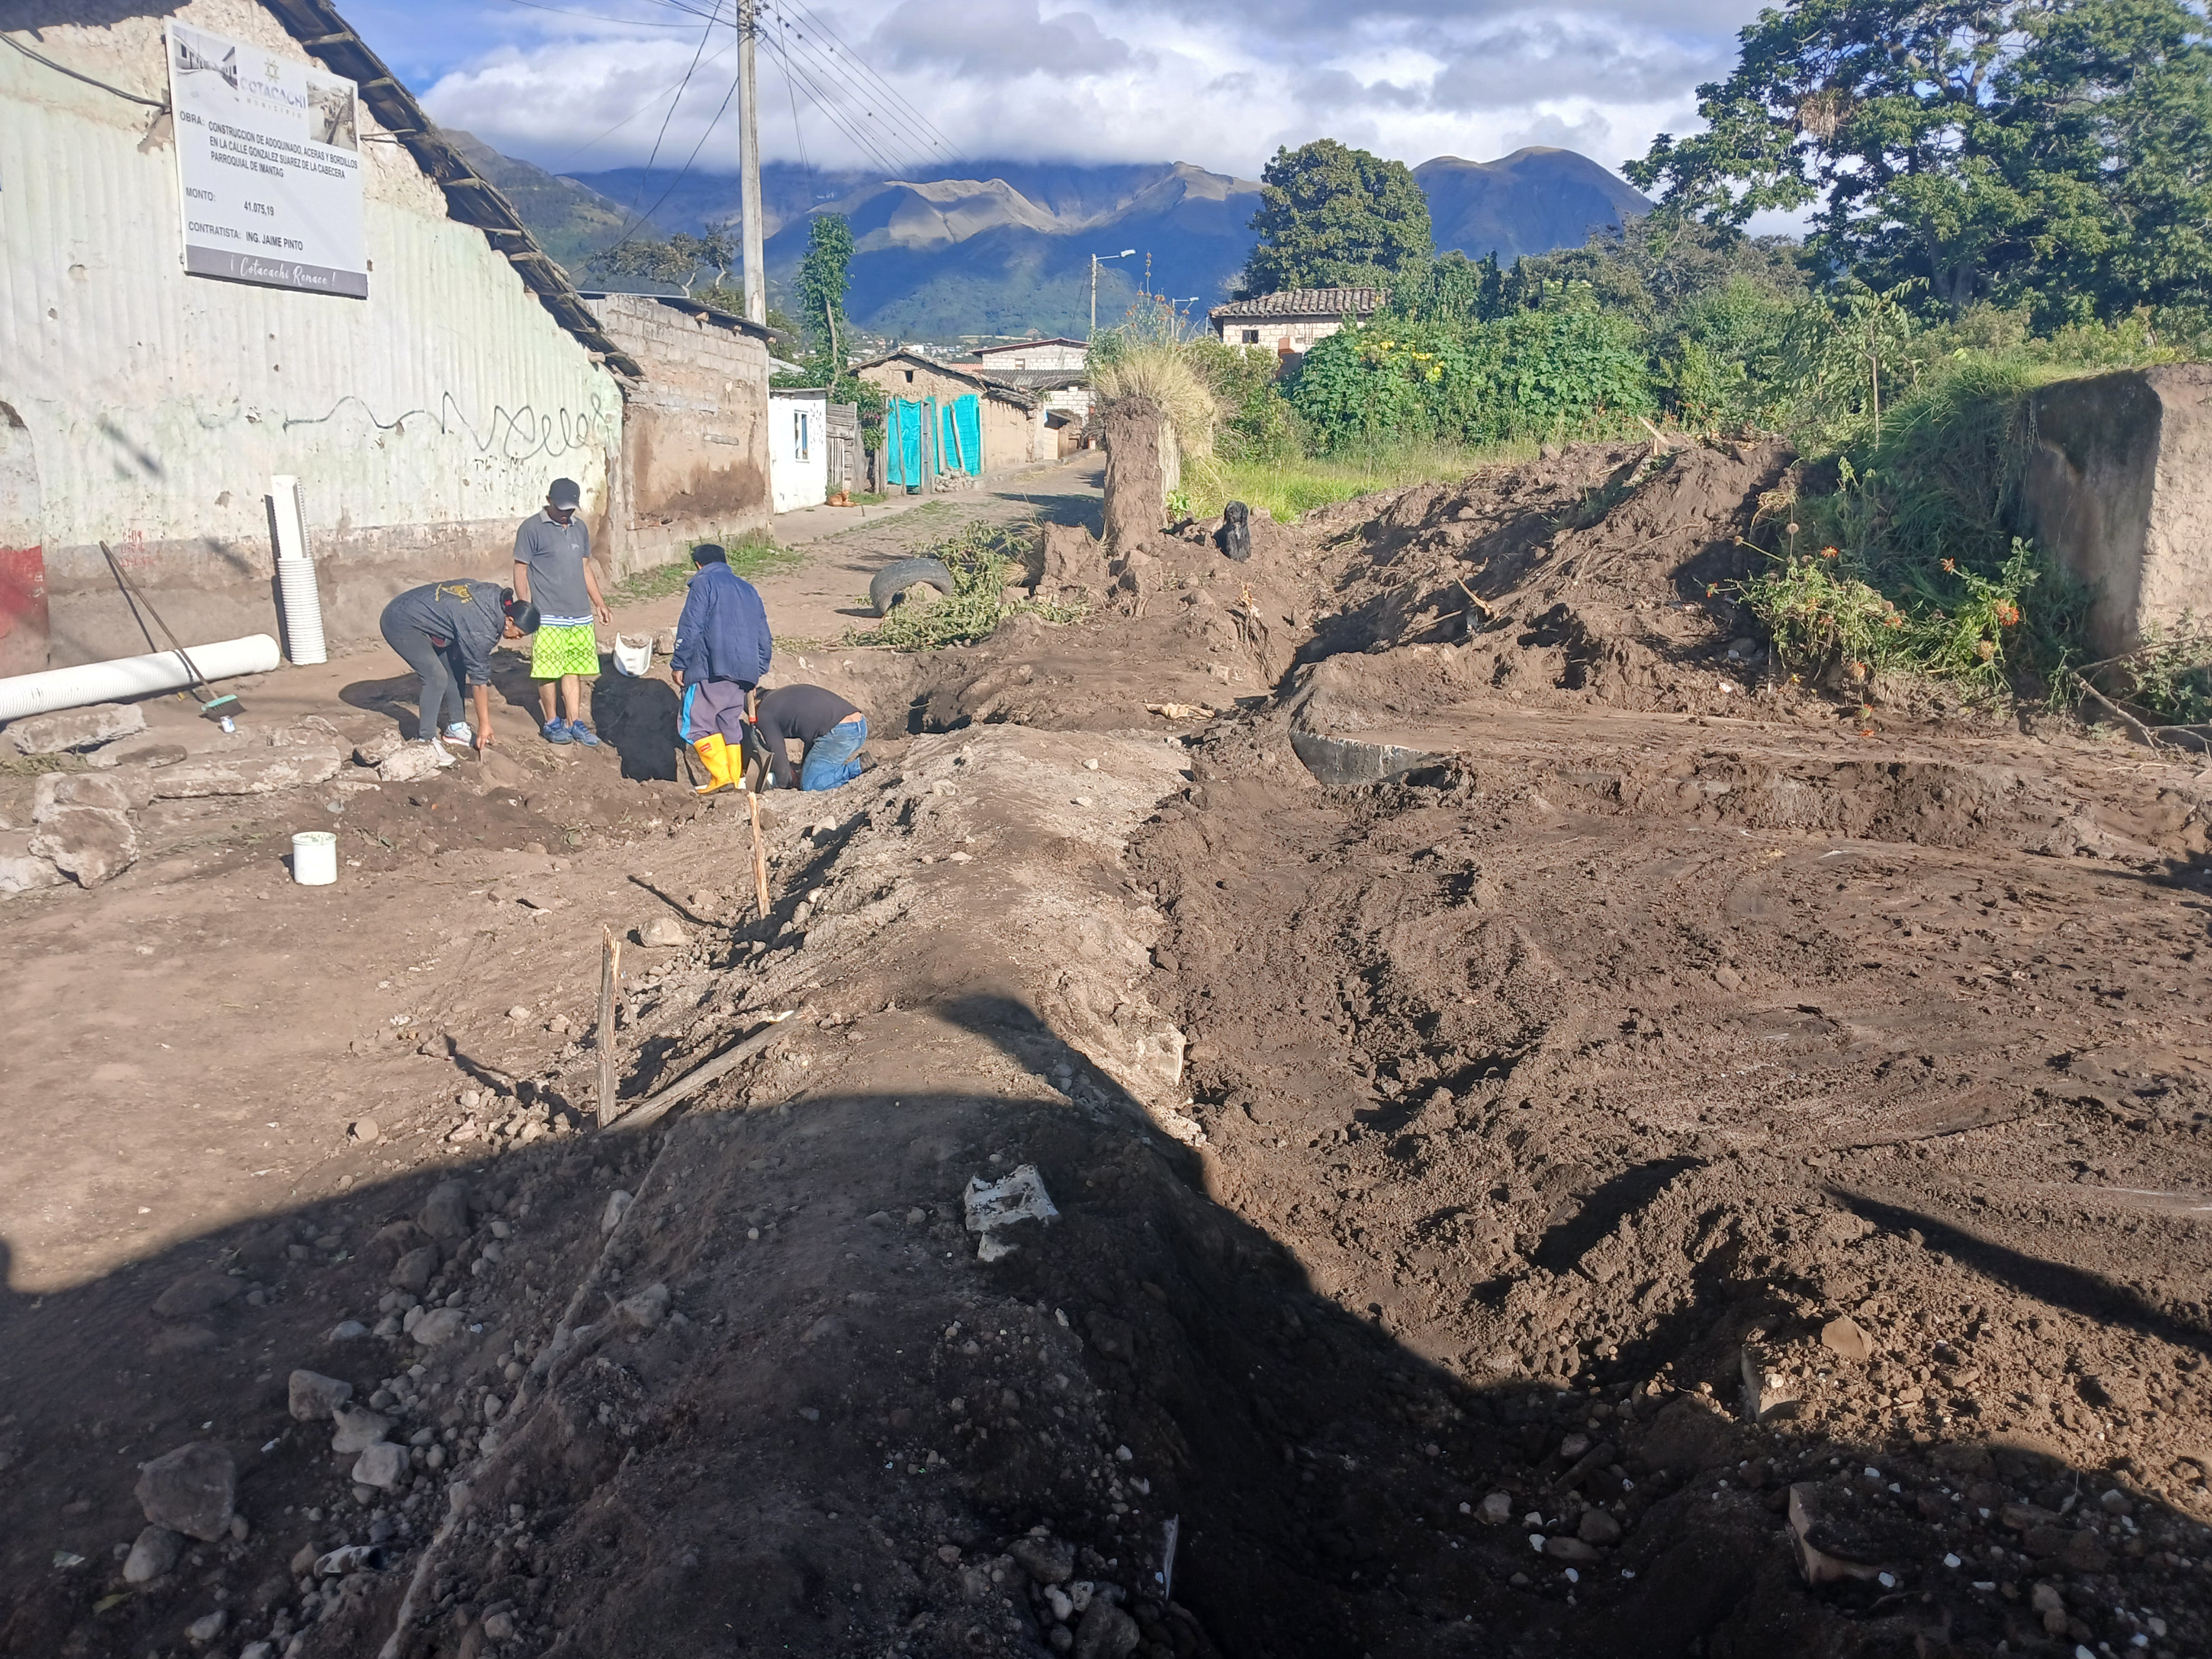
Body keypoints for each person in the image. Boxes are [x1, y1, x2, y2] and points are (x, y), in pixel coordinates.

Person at [377, 580, 537, 762]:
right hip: (400, 621)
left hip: (420, 613)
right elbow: (479, 682)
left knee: (457, 663)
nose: (518, 639)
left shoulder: (497, 598)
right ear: (509, 620)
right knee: (436, 677)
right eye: (520, 633)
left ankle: (456, 727)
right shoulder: (482, 630)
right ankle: (426, 742)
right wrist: (484, 725)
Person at [512, 476, 611, 747]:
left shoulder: (580, 529)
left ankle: (574, 721)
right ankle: (552, 722)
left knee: (573, 669)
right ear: (549, 501)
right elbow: (521, 568)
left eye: (570, 509)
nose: (566, 514)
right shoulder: (532, 528)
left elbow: (585, 567)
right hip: (548, 614)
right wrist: (524, 606)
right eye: (561, 508)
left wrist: (600, 603)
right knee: (548, 670)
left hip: (579, 615)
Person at [670, 541, 773, 794]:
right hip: (743, 675)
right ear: (726, 561)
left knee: (694, 724)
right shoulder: (749, 590)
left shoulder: (703, 583)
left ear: (698, 565)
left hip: (710, 669)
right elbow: (764, 636)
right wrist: (758, 669)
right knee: (729, 725)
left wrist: (680, 663)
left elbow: (691, 626)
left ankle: (722, 777)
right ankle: (734, 780)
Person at [751, 684, 867, 792]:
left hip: (841, 734)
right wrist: (803, 770)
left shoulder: (763, 712)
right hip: (860, 726)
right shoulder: (783, 696)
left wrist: (785, 782)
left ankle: (858, 767)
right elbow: (813, 730)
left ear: (755, 705)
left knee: (809, 784)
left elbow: (777, 749)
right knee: (808, 775)